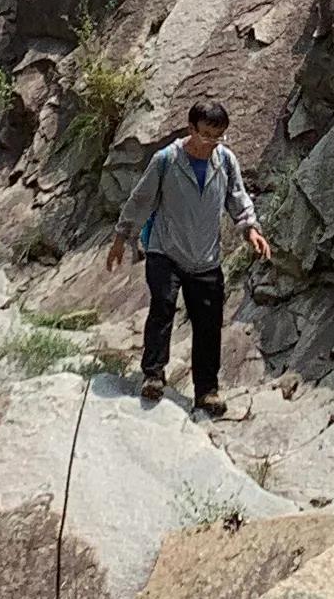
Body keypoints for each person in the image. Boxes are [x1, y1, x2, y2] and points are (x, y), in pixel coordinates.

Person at [106, 97, 270, 413]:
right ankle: (153, 375)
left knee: (208, 324)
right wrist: (120, 238)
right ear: (191, 128)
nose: (211, 142)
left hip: (206, 256)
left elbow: (238, 198)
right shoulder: (166, 160)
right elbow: (141, 200)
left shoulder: (225, 160)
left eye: (218, 136)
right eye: (206, 134)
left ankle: (206, 391)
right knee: (163, 306)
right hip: (165, 249)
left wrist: (251, 230)